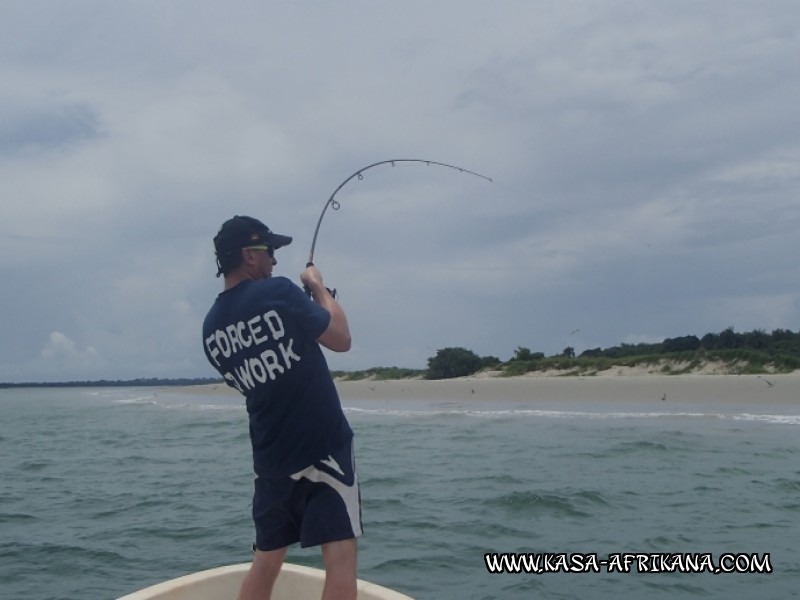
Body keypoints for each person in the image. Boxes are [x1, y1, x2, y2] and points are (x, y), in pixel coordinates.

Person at [202, 215, 360, 600]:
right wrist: (319, 288)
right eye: (268, 251)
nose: (274, 260)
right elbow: (341, 339)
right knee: (340, 559)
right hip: (324, 450)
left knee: (267, 560)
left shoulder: (210, 328)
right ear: (248, 256)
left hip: (271, 461)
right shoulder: (281, 292)